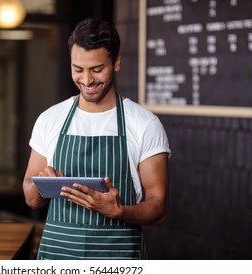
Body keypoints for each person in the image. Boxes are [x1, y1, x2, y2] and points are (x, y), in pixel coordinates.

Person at [22, 18, 170, 260]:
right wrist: (43, 185)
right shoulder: (50, 119)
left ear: (117, 62)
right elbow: (31, 198)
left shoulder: (144, 123)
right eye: (78, 69)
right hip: (58, 257)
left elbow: (159, 207)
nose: (87, 80)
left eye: (97, 69)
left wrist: (120, 211)